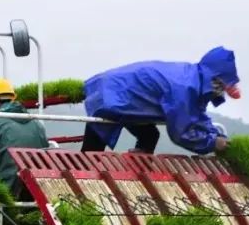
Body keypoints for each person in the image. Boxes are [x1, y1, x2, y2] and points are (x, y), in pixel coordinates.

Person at [81, 46, 240, 155]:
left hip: (127, 98)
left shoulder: (194, 79)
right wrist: (213, 143)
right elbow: (181, 132)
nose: (222, 91)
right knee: (91, 152)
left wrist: (216, 135)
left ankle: (139, 170)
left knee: (150, 136)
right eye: (222, 86)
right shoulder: (184, 88)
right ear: (214, 80)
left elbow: (196, 117)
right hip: (112, 95)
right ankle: (79, 187)